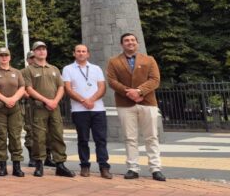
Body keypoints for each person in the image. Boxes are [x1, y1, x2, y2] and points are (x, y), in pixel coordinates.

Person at [107, 33, 165, 182]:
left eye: (133, 40)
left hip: (147, 102)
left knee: (151, 136)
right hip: (125, 104)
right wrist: (129, 92)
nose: (130, 43)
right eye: (126, 41)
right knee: (130, 138)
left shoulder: (149, 60)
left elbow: (155, 79)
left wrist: (139, 91)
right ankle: (133, 168)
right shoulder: (114, 62)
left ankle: (156, 168)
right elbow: (112, 81)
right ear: (122, 44)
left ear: (137, 43)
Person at [24, 41, 75, 178]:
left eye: (44, 49)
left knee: (57, 135)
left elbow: (61, 87)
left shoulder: (54, 69)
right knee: (39, 137)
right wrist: (46, 101)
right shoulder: (28, 70)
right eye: (38, 49)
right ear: (34, 53)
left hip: (54, 107)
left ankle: (60, 164)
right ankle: (39, 164)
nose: (41, 51)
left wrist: (55, 101)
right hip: (39, 108)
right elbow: (29, 89)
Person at [62, 44, 112, 179]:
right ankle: (84, 166)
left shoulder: (96, 69)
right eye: (78, 51)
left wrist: (92, 100)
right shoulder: (68, 69)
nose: (81, 53)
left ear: (88, 54)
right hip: (79, 110)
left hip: (98, 109)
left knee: (100, 139)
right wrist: (84, 101)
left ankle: (104, 167)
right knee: (83, 139)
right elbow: (68, 89)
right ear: (74, 53)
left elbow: (102, 87)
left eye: (83, 51)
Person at [0, 47, 26, 177]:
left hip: (14, 108)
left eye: (6, 55)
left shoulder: (16, 72)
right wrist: (5, 99)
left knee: (15, 136)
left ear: (10, 57)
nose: (4, 58)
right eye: (1, 55)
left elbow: (22, 87)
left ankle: (17, 166)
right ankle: (2, 165)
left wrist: (13, 99)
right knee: (0, 136)